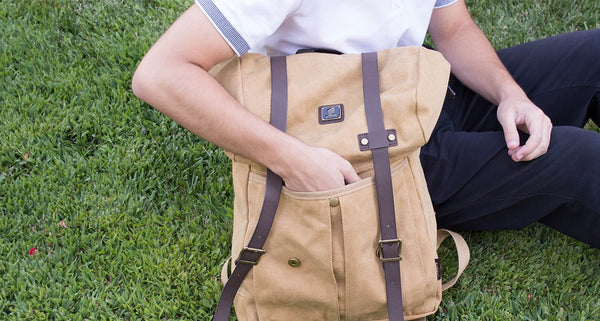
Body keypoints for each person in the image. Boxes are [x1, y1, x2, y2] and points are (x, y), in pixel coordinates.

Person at [132, 0, 600, 248]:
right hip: (368, 158)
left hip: (422, 90)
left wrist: (510, 95)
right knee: (577, 158)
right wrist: (291, 159)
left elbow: (453, 29)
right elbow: (161, 73)